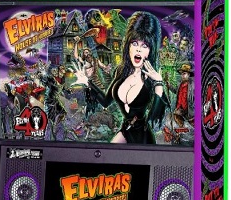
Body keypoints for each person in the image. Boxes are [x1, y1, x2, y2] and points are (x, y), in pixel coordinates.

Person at [72, 10, 169, 144]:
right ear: (128, 46)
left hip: (143, 140)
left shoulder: (152, 80)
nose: (138, 49)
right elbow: (105, 102)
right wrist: (87, 82)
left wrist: (158, 83)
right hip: (126, 131)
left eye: (144, 45)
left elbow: (154, 122)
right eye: (134, 43)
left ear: (150, 51)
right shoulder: (121, 71)